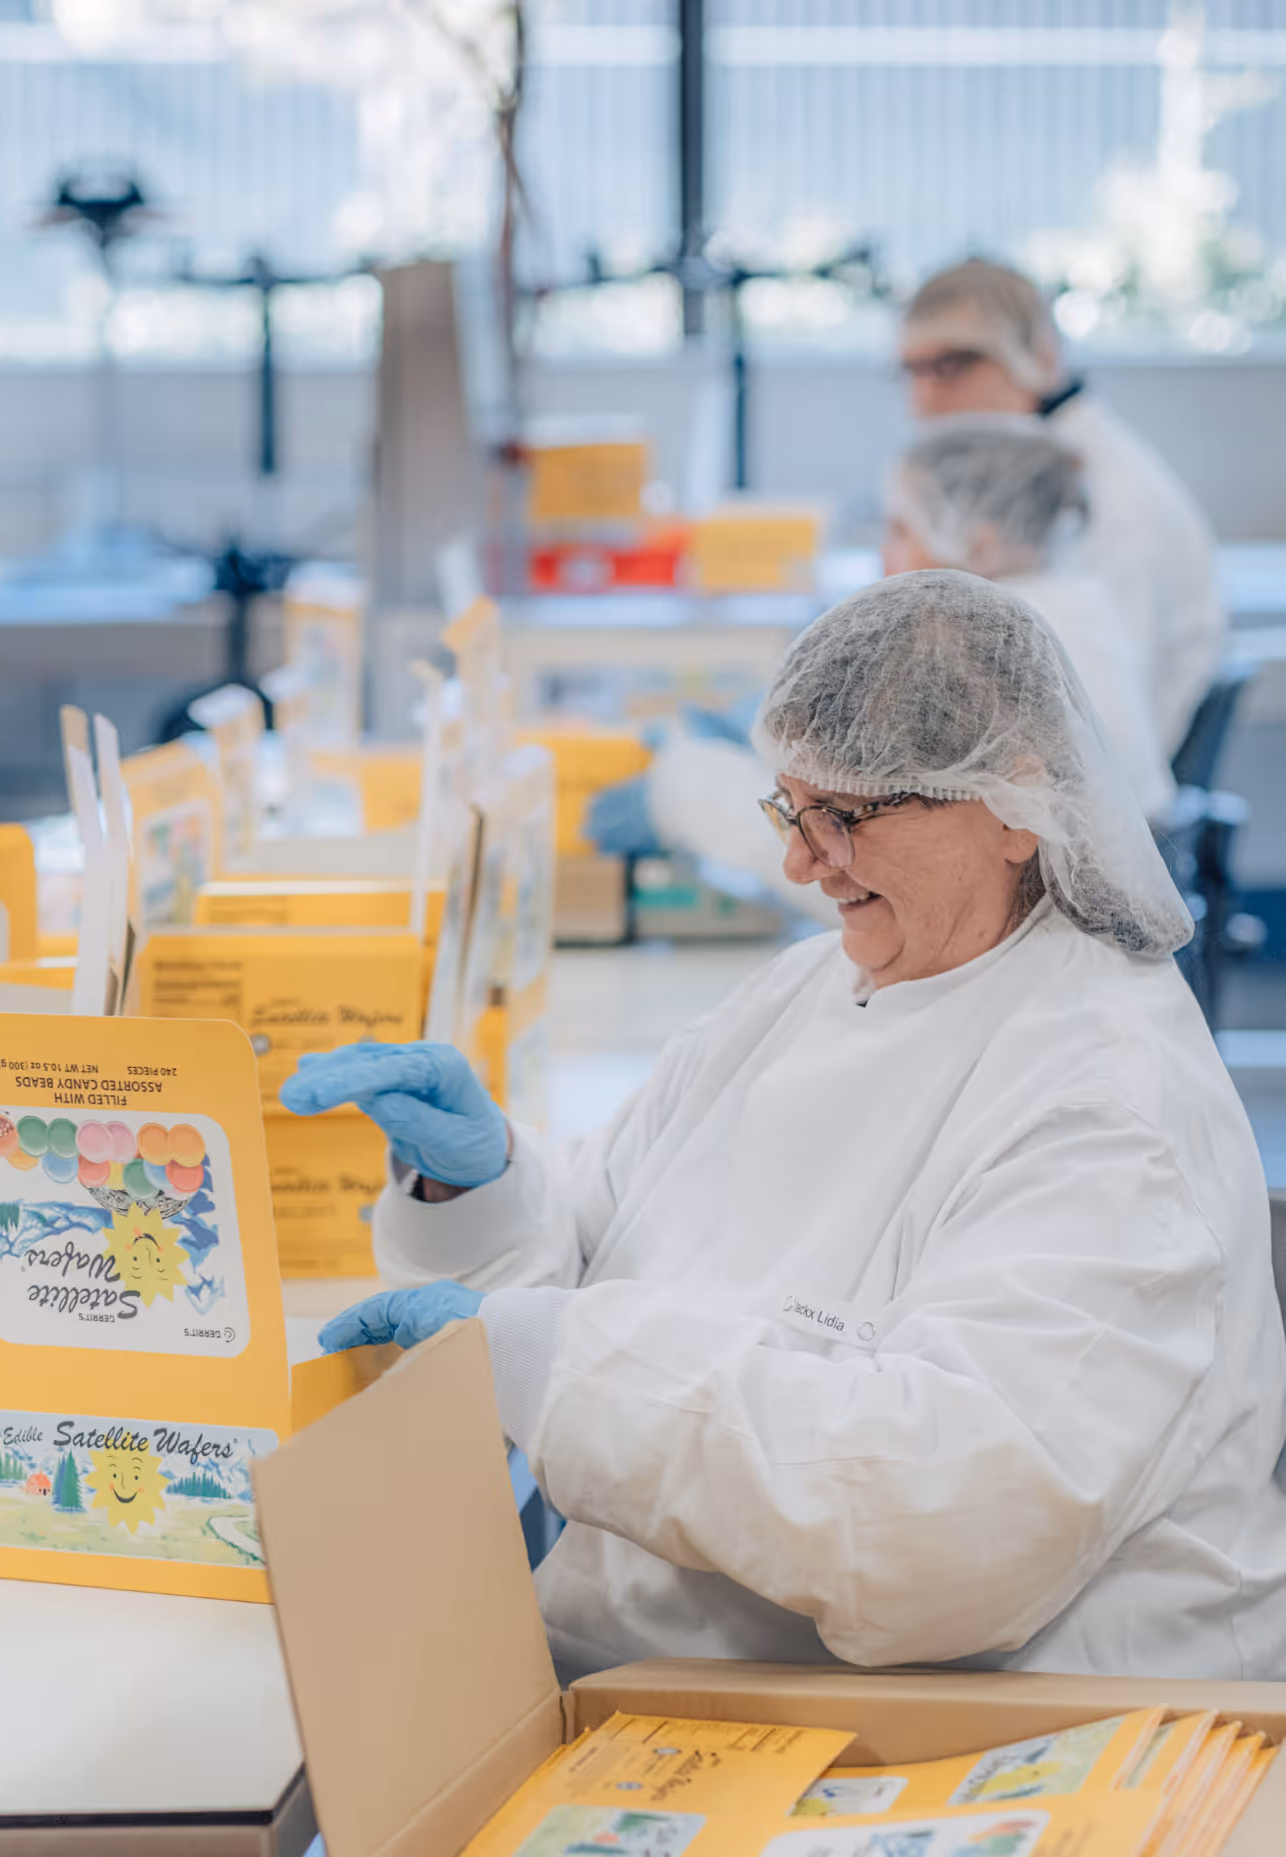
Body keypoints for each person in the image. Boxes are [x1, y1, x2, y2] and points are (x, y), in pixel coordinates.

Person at [283, 570, 1286, 1684]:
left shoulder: (1107, 1104)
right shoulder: (805, 993)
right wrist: (480, 1194)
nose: (798, 864)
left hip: (1009, 1736)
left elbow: (939, 1524)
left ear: (1014, 806)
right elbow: (609, 1255)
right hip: (693, 1681)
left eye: (843, 817)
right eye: (788, 809)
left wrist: (547, 1362)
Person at [900, 257, 1222, 756]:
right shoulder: (1033, 471)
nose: (923, 399)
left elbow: (1103, 724)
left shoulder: (1104, 500)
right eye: (912, 371)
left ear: (1040, 356)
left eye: (954, 366)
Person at [883, 418, 1173, 824]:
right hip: (1138, 856)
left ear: (978, 545)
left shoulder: (981, 635)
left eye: (901, 532)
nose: (882, 555)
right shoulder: (1080, 603)